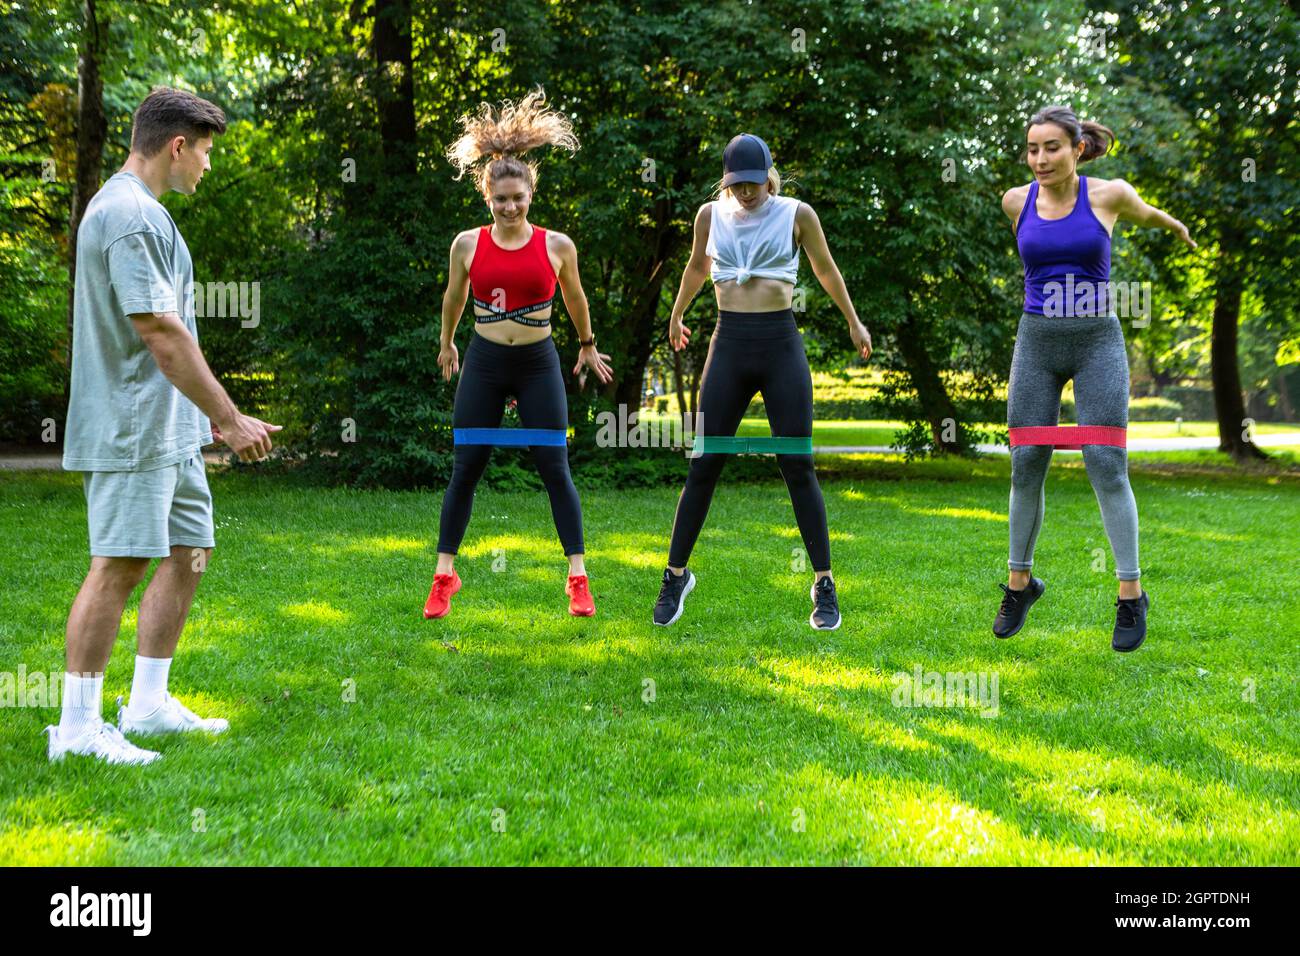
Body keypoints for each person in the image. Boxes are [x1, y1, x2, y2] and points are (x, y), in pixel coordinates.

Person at [51, 86, 281, 765]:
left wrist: (198, 418)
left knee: (188, 552)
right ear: (177, 145)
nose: (206, 165)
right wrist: (228, 418)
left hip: (168, 428)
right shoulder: (130, 217)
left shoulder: (138, 211)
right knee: (117, 566)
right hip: (131, 429)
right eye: (205, 152)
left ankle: (148, 703)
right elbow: (159, 331)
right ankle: (78, 729)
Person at [994, 105, 1196, 652]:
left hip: (1096, 340)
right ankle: (1019, 584)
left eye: (1051, 148)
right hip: (1036, 340)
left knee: (1106, 462)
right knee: (1027, 460)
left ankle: (1130, 595)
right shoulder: (1017, 202)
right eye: (1032, 149)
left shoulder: (1108, 195)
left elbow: (1148, 213)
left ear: (1077, 148)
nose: (1039, 159)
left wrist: (1174, 225)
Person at [653, 133, 872, 630]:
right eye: (738, 184)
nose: (747, 192)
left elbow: (825, 268)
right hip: (729, 344)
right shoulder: (710, 216)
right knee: (704, 463)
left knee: (797, 464)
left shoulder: (797, 213)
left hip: (780, 346)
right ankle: (675, 575)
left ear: (769, 176)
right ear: (726, 180)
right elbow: (695, 266)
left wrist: (853, 322)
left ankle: (823, 584)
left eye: (754, 183)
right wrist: (677, 312)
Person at [426, 89, 613, 620]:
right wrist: (447, 344)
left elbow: (575, 299)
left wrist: (587, 346)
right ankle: (444, 575)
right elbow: (453, 298)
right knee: (467, 468)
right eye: (501, 199)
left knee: (554, 466)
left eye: (519, 198)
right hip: (485, 361)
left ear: (532, 194)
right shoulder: (467, 244)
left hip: (537, 365)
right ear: (488, 198)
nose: (510, 207)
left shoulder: (558, 245)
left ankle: (577, 577)